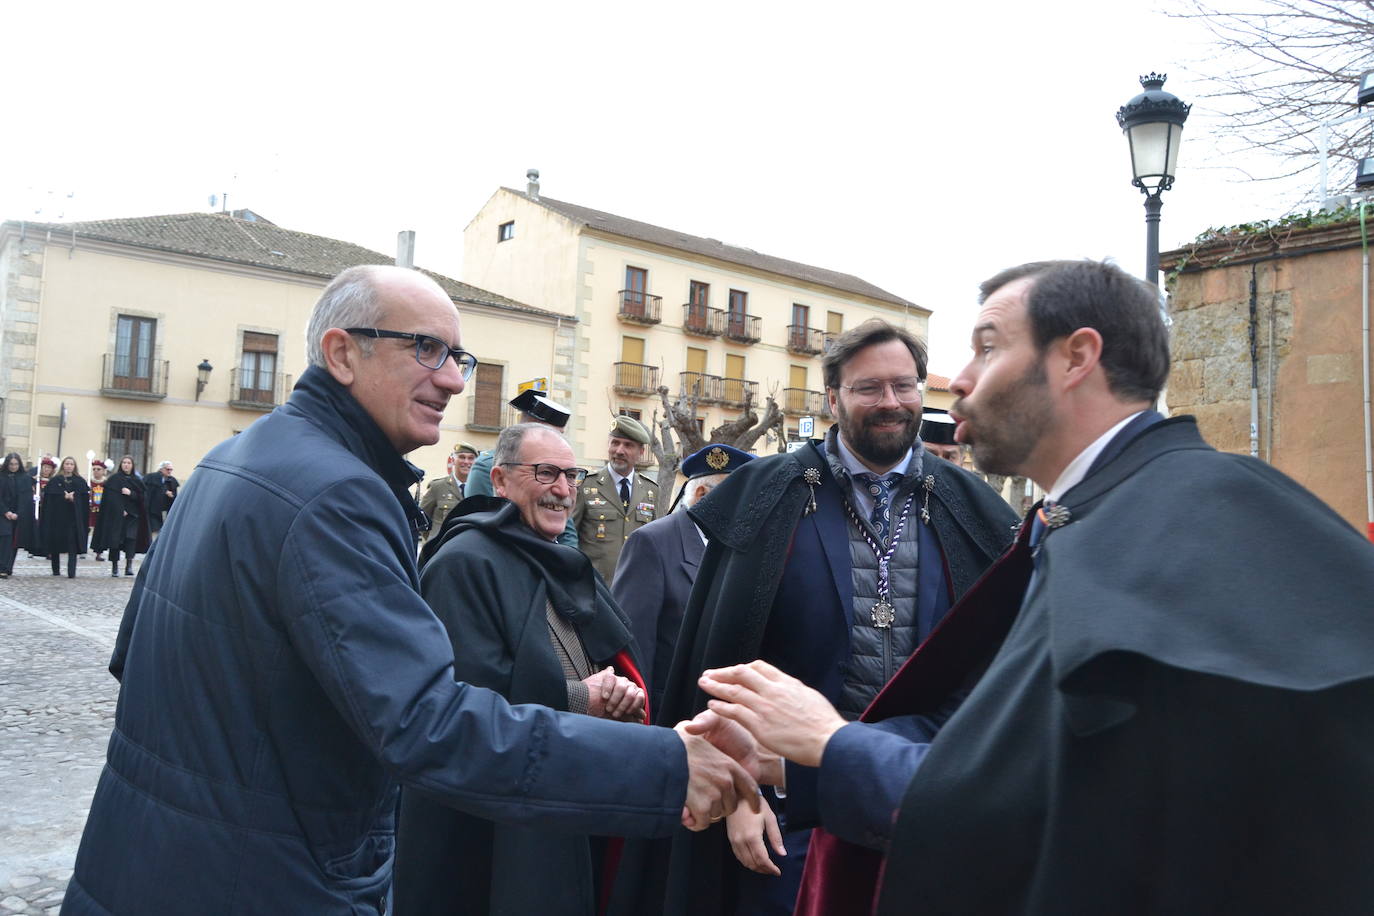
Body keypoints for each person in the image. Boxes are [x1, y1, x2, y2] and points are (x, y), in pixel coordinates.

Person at [64, 265, 756, 916]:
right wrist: (663, 766)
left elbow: (137, 660)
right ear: (342, 353)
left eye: (461, 357)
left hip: (149, 854)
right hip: (261, 876)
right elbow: (427, 724)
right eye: (427, 349)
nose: (454, 380)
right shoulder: (338, 494)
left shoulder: (236, 455)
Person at [696, 259, 1374, 916]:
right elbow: (1015, 755)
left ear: (1077, 357)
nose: (958, 381)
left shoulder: (1192, 524)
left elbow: (1055, 811)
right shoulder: (1108, 516)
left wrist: (833, 745)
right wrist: (795, 759)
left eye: (987, 348)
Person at [612, 319, 1018, 916]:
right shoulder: (766, 496)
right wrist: (739, 796)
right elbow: (721, 664)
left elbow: (989, 673)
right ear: (832, 398)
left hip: (921, 798)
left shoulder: (966, 505)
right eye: (869, 388)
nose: (891, 403)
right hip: (787, 814)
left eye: (904, 387)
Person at [396, 423, 648, 915]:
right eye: (546, 473)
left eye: (571, 476)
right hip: (494, 819)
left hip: (573, 785)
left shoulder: (564, 559)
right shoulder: (463, 563)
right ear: (501, 481)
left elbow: (607, 653)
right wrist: (582, 699)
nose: (562, 489)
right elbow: (465, 705)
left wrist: (621, 692)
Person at [612, 443, 754, 712]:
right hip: (669, 711)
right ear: (702, 494)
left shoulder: (735, 545)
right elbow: (634, 646)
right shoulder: (652, 542)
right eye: (740, 495)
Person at [468, 389, 578, 546]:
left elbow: (566, 529)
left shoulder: (563, 477)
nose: (563, 490)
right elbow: (481, 519)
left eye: (560, 435)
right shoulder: (486, 466)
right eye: (546, 473)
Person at [572, 416, 660, 584]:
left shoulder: (651, 490)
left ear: (641, 452)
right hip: (594, 587)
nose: (619, 450)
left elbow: (654, 541)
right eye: (615, 443)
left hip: (635, 586)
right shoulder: (585, 485)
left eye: (628, 445)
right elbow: (569, 536)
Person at [92, 456, 147, 577]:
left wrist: (131, 493)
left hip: (133, 517)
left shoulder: (137, 480)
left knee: (130, 540)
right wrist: (119, 510)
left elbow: (142, 498)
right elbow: (109, 500)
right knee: (115, 542)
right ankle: (115, 567)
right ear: (120, 464)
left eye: (128, 463)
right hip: (116, 517)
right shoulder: (113, 480)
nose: (126, 465)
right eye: (124, 462)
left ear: (132, 465)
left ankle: (129, 566)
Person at [39, 456, 89, 578]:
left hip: (73, 519)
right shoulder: (55, 481)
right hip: (57, 518)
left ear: (74, 466)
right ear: (63, 465)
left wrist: (74, 499)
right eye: (67, 464)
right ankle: (55, 569)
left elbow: (84, 503)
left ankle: (71, 571)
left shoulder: (80, 482)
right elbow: (49, 502)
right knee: (55, 544)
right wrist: (63, 497)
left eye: (71, 464)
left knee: (72, 545)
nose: (69, 466)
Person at [417, 442, 475, 541]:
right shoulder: (437, 487)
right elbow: (421, 520)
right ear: (453, 460)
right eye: (462, 457)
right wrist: (433, 539)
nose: (466, 462)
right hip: (440, 548)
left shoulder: (479, 489)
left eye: (470, 458)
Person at [0, 453, 26, 578]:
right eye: (11, 464)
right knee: (5, 538)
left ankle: (8, 567)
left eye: (16, 464)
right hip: (3, 513)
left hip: (18, 513)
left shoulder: (23, 477)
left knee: (14, 542)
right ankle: (3, 567)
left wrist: (18, 513)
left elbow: (25, 497)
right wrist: (6, 512)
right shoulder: (1, 477)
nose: (13, 467)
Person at [145, 460, 179, 537]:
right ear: (161, 469)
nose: (169, 471)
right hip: (152, 510)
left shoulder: (172, 480)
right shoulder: (152, 477)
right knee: (153, 532)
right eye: (167, 469)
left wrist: (171, 495)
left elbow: (175, 496)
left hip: (165, 511)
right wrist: (164, 492)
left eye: (171, 469)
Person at [88, 459, 110, 561]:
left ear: (103, 471)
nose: (96, 471)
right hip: (90, 510)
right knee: (87, 529)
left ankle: (99, 552)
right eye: (94, 469)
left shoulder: (107, 483)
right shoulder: (89, 481)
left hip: (102, 510)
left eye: (98, 469)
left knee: (100, 531)